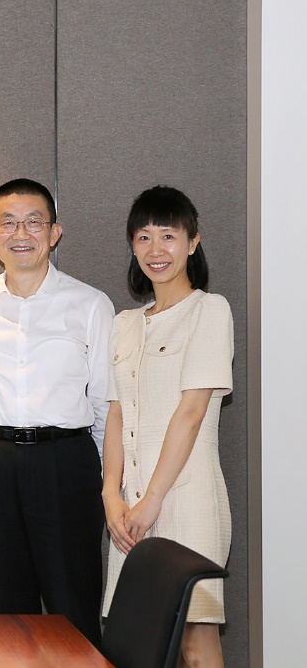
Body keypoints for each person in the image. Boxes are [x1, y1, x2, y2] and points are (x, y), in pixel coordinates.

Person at [0, 178, 112, 645]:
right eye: (8, 223)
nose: (20, 233)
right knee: (7, 607)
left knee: (73, 602)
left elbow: (105, 401)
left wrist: (105, 478)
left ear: (54, 232)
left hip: (66, 462)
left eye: (33, 222)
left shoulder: (90, 304)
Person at [102, 186, 232, 668]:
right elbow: (116, 413)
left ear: (193, 242)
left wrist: (152, 500)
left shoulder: (209, 311)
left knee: (195, 644)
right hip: (130, 508)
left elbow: (191, 413)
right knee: (140, 646)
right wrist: (110, 495)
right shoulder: (124, 323)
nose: (155, 249)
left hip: (185, 501)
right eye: (143, 236)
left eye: (168, 235)